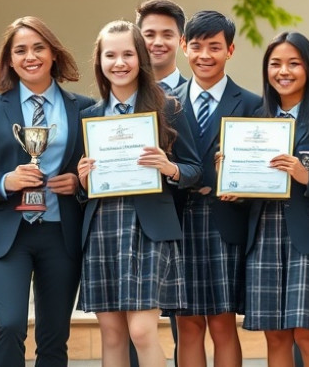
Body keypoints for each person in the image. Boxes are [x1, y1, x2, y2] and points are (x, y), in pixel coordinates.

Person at [0, 16, 95, 367]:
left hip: (61, 231)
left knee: (54, 335)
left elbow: (92, 169)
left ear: (53, 54)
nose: (31, 56)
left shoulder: (84, 108)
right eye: (20, 50)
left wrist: (77, 183)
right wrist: (5, 181)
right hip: (9, 232)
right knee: (9, 325)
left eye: (39, 48)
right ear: (9, 60)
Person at [76, 20, 201, 367]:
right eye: (110, 55)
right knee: (113, 335)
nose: (119, 63)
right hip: (103, 229)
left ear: (141, 58)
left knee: (143, 331)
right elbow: (79, 188)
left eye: (128, 54)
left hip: (150, 231)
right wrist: (83, 182)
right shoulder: (88, 116)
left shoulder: (169, 107)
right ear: (99, 61)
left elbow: (194, 170)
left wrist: (169, 167)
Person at [227, 32, 309, 367]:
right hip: (263, 236)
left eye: (293, 63)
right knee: (275, 334)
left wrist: (304, 174)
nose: (284, 71)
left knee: (308, 335)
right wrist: (233, 183)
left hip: (307, 240)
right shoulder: (255, 120)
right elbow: (247, 190)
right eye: (275, 64)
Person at [172, 11, 259, 367]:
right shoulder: (165, 104)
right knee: (187, 324)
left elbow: (260, 167)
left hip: (226, 222)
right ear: (183, 47)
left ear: (231, 50)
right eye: (196, 46)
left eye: (214, 47)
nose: (204, 55)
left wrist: (246, 188)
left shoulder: (252, 104)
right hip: (178, 224)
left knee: (223, 324)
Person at [137, 0, 187, 93]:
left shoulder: (195, 96)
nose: (158, 42)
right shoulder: (123, 96)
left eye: (167, 35)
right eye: (150, 35)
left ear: (181, 40)